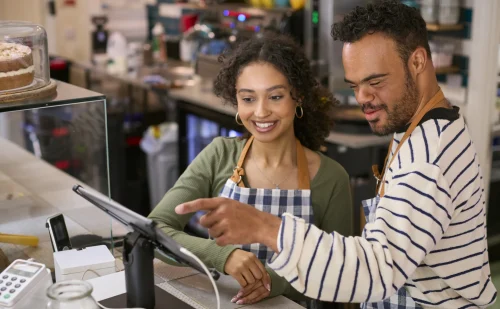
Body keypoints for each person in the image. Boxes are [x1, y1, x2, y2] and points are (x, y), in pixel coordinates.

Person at [175, 1, 498, 308]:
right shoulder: (425, 126)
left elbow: (375, 270)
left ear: (417, 62)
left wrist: (265, 228)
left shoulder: (426, 161)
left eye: (375, 81)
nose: (363, 98)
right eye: (354, 85)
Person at [148, 34, 353, 305]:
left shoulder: (331, 178)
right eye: (248, 99)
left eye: (275, 97)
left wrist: (275, 280)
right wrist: (223, 256)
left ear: (298, 97)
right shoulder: (219, 155)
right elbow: (153, 231)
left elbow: (343, 271)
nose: (260, 112)